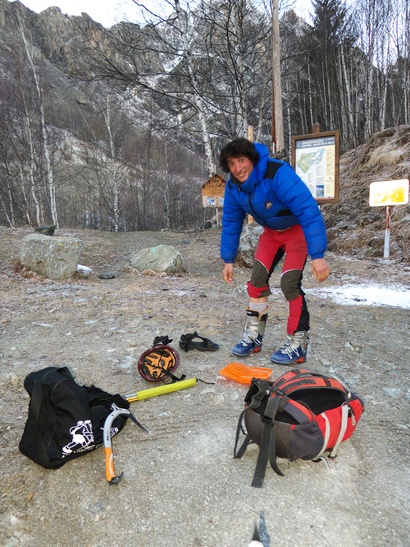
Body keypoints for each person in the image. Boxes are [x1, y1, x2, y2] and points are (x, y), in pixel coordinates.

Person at [219, 138, 330, 365]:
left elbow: (308, 210)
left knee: (289, 283)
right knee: (257, 279)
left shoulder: (277, 173)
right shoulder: (233, 186)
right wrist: (228, 259)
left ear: (251, 159)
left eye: (241, 161)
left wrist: (318, 256)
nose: (238, 168)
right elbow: (231, 222)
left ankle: (298, 343)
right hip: (271, 233)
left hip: (296, 230)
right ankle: (254, 336)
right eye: (231, 164)